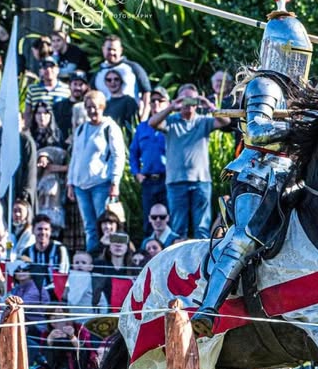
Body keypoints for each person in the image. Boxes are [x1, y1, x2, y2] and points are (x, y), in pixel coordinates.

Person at [190, 0, 309, 337]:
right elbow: (256, 130)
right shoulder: (264, 85)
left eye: (303, 57)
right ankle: (208, 307)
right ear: (279, 53)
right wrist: (297, 131)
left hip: (292, 175)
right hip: (257, 174)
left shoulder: (303, 91)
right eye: (295, 56)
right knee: (244, 236)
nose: (299, 64)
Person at [147, 84, 228, 242]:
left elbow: (225, 121)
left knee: (202, 229)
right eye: (185, 99)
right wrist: (172, 106)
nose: (188, 104)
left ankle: (202, 264)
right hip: (176, 182)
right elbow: (152, 123)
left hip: (201, 181)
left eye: (192, 100)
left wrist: (208, 105)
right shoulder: (171, 121)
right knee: (178, 230)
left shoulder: (203, 121)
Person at [66, 91, 125, 253]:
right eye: (89, 107)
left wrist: (115, 182)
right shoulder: (80, 129)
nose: (92, 111)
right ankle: (93, 259)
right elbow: (75, 157)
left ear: (102, 107)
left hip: (101, 183)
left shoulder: (109, 127)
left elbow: (118, 155)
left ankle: (109, 257)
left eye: (95, 107)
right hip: (81, 185)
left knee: (107, 225)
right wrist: (70, 182)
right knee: (89, 227)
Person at [129, 87, 170, 233]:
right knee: (149, 220)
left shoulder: (173, 124)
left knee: (168, 219)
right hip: (148, 180)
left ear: (168, 103)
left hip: (168, 179)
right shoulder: (142, 127)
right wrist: (136, 173)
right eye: (153, 101)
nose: (156, 104)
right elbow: (133, 152)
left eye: (160, 100)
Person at [92, 35, 152, 120]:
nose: (112, 52)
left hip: (131, 117)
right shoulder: (98, 73)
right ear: (103, 49)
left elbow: (147, 92)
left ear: (121, 50)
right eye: (109, 49)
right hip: (105, 120)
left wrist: (143, 118)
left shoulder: (133, 68)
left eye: (114, 50)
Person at [18, 214, 70, 294]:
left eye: (46, 229)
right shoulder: (26, 252)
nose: (43, 232)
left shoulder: (60, 249)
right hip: (32, 294)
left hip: (55, 293)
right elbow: (23, 276)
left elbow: (62, 274)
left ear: (50, 231)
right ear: (33, 231)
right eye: (39, 229)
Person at [24, 58, 70, 125]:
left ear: (58, 69)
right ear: (41, 70)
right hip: (38, 129)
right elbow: (28, 111)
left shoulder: (66, 89)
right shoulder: (32, 89)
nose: (48, 69)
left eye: (52, 66)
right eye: (45, 67)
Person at [53, 69, 89, 142]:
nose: (77, 88)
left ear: (86, 86)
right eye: (75, 84)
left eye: (81, 85)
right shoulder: (59, 106)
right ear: (69, 85)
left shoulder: (89, 106)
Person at [101, 68, 139, 134]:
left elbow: (134, 124)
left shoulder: (129, 101)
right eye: (109, 80)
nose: (113, 82)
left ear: (121, 81)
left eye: (116, 79)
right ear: (105, 83)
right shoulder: (104, 103)